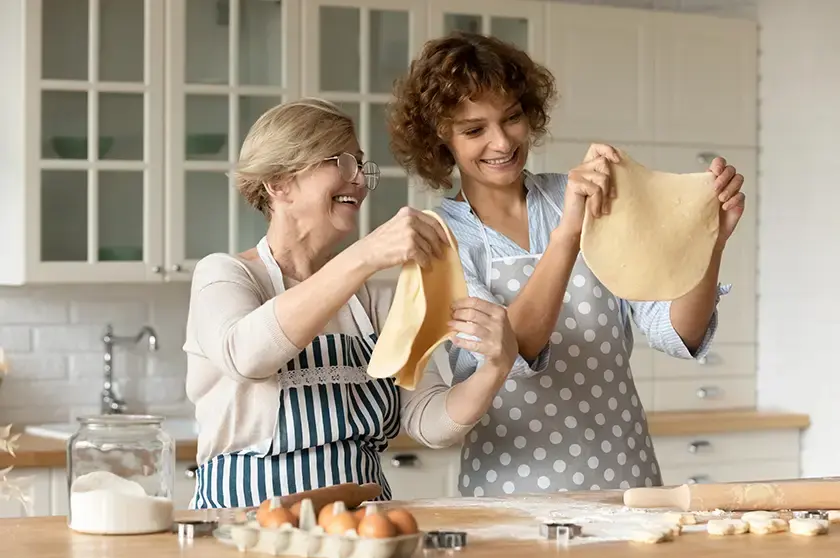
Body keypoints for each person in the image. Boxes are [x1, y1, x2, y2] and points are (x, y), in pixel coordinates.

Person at [387, 32, 745, 497]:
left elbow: (675, 332)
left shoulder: (588, 195)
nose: (501, 141)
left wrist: (708, 242)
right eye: (474, 129)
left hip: (626, 479)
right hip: (512, 492)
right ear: (441, 136)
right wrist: (568, 234)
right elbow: (512, 352)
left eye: (511, 118)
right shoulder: (439, 241)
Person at [183, 98, 520, 509]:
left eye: (361, 165)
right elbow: (247, 356)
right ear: (279, 183)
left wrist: (497, 366)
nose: (359, 180)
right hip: (246, 527)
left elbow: (429, 421)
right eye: (341, 163)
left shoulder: (373, 299)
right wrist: (365, 255)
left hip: (364, 528)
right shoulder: (225, 276)